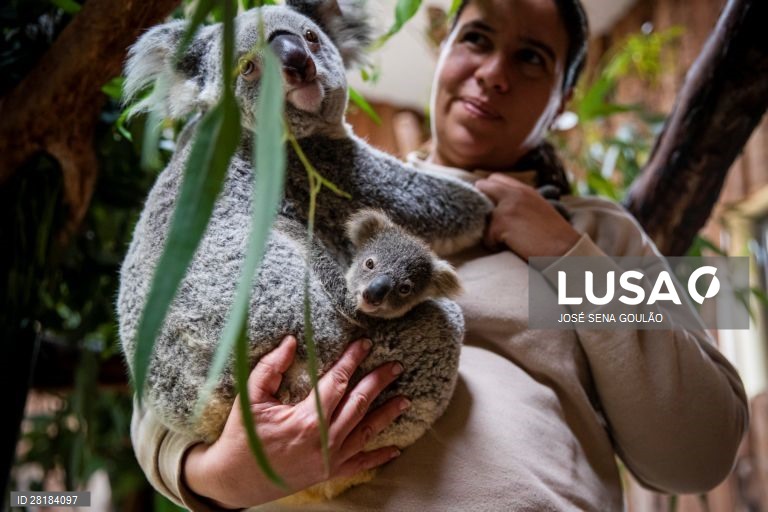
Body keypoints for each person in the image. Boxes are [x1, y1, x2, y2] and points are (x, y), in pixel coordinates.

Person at [130, 0, 749, 510]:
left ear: (563, 101)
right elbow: (167, 362)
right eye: (477, 38)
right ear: (441, 48)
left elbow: (703, 444)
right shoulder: (302, 175)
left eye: (531, 58)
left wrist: (565, 252)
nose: (494, 72)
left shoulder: (604, 227)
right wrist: (214, 476)